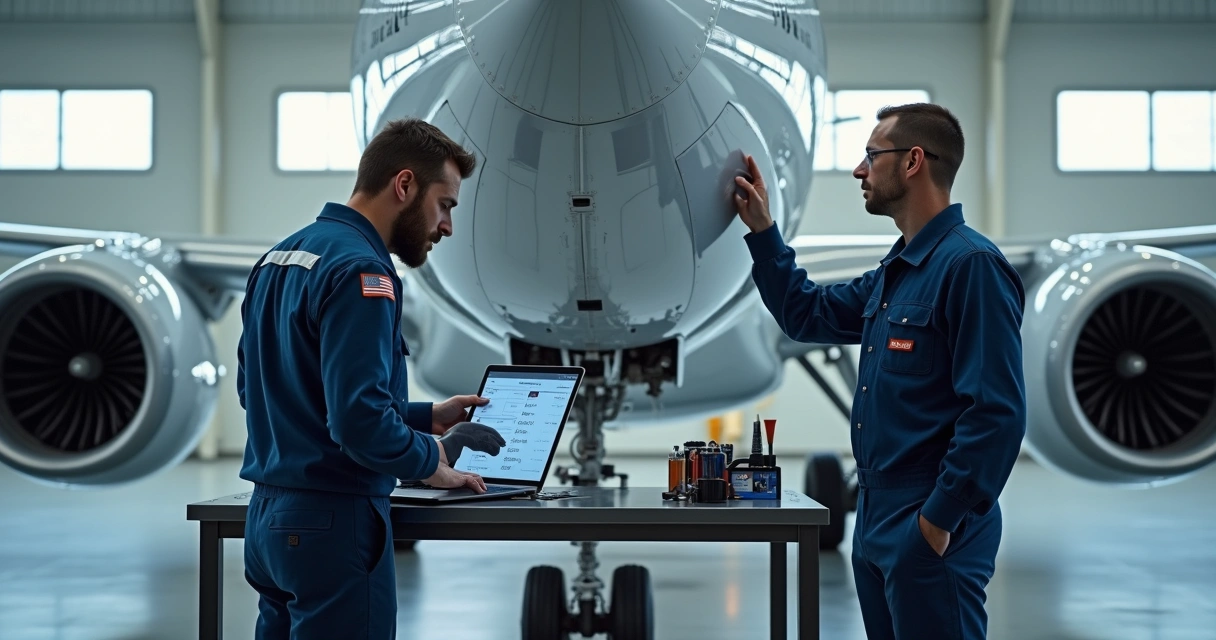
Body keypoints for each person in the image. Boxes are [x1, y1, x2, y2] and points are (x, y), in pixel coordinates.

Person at [733, 103, 1026, 639]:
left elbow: (997, 414)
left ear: (914, 161)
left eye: (872, 155)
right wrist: (763, 232)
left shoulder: (970, 267)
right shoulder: (897, 272)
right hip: (874, 515)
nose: (859, 170)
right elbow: (807, 313)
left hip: (929, 517)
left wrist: (937, 523)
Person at [236, 117, 508, 639]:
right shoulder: (365, 272)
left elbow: (270, 391)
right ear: (404, 185)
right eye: (445, 204)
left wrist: (428, 416)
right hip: (333, 528)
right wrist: (435, 461)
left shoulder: (278, 259)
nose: (447, 226)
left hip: (268, 524)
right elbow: (357, 422)